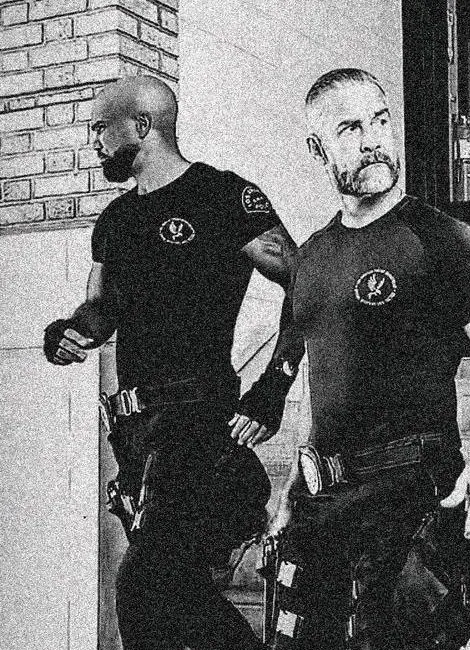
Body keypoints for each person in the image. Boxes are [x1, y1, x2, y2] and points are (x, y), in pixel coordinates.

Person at [255, 69, 470, 650]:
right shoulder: (311, 258)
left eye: (381, 122)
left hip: (410, 500)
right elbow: (320, 381)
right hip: (323, 508)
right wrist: (294, 481)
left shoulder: (443, 240)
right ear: (318, 150)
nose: (373, 140)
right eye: (351, 129)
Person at [43, 75, 298, 650]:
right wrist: (67, 333)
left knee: (141, 587)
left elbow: (305, 285)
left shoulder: (223, 195)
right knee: (175, 598)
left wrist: (274, 386)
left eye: (100, 129)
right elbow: (101, 309)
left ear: (141, 126)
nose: (94, 143)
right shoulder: (116, 220)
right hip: (136, 438)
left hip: (197, 429)